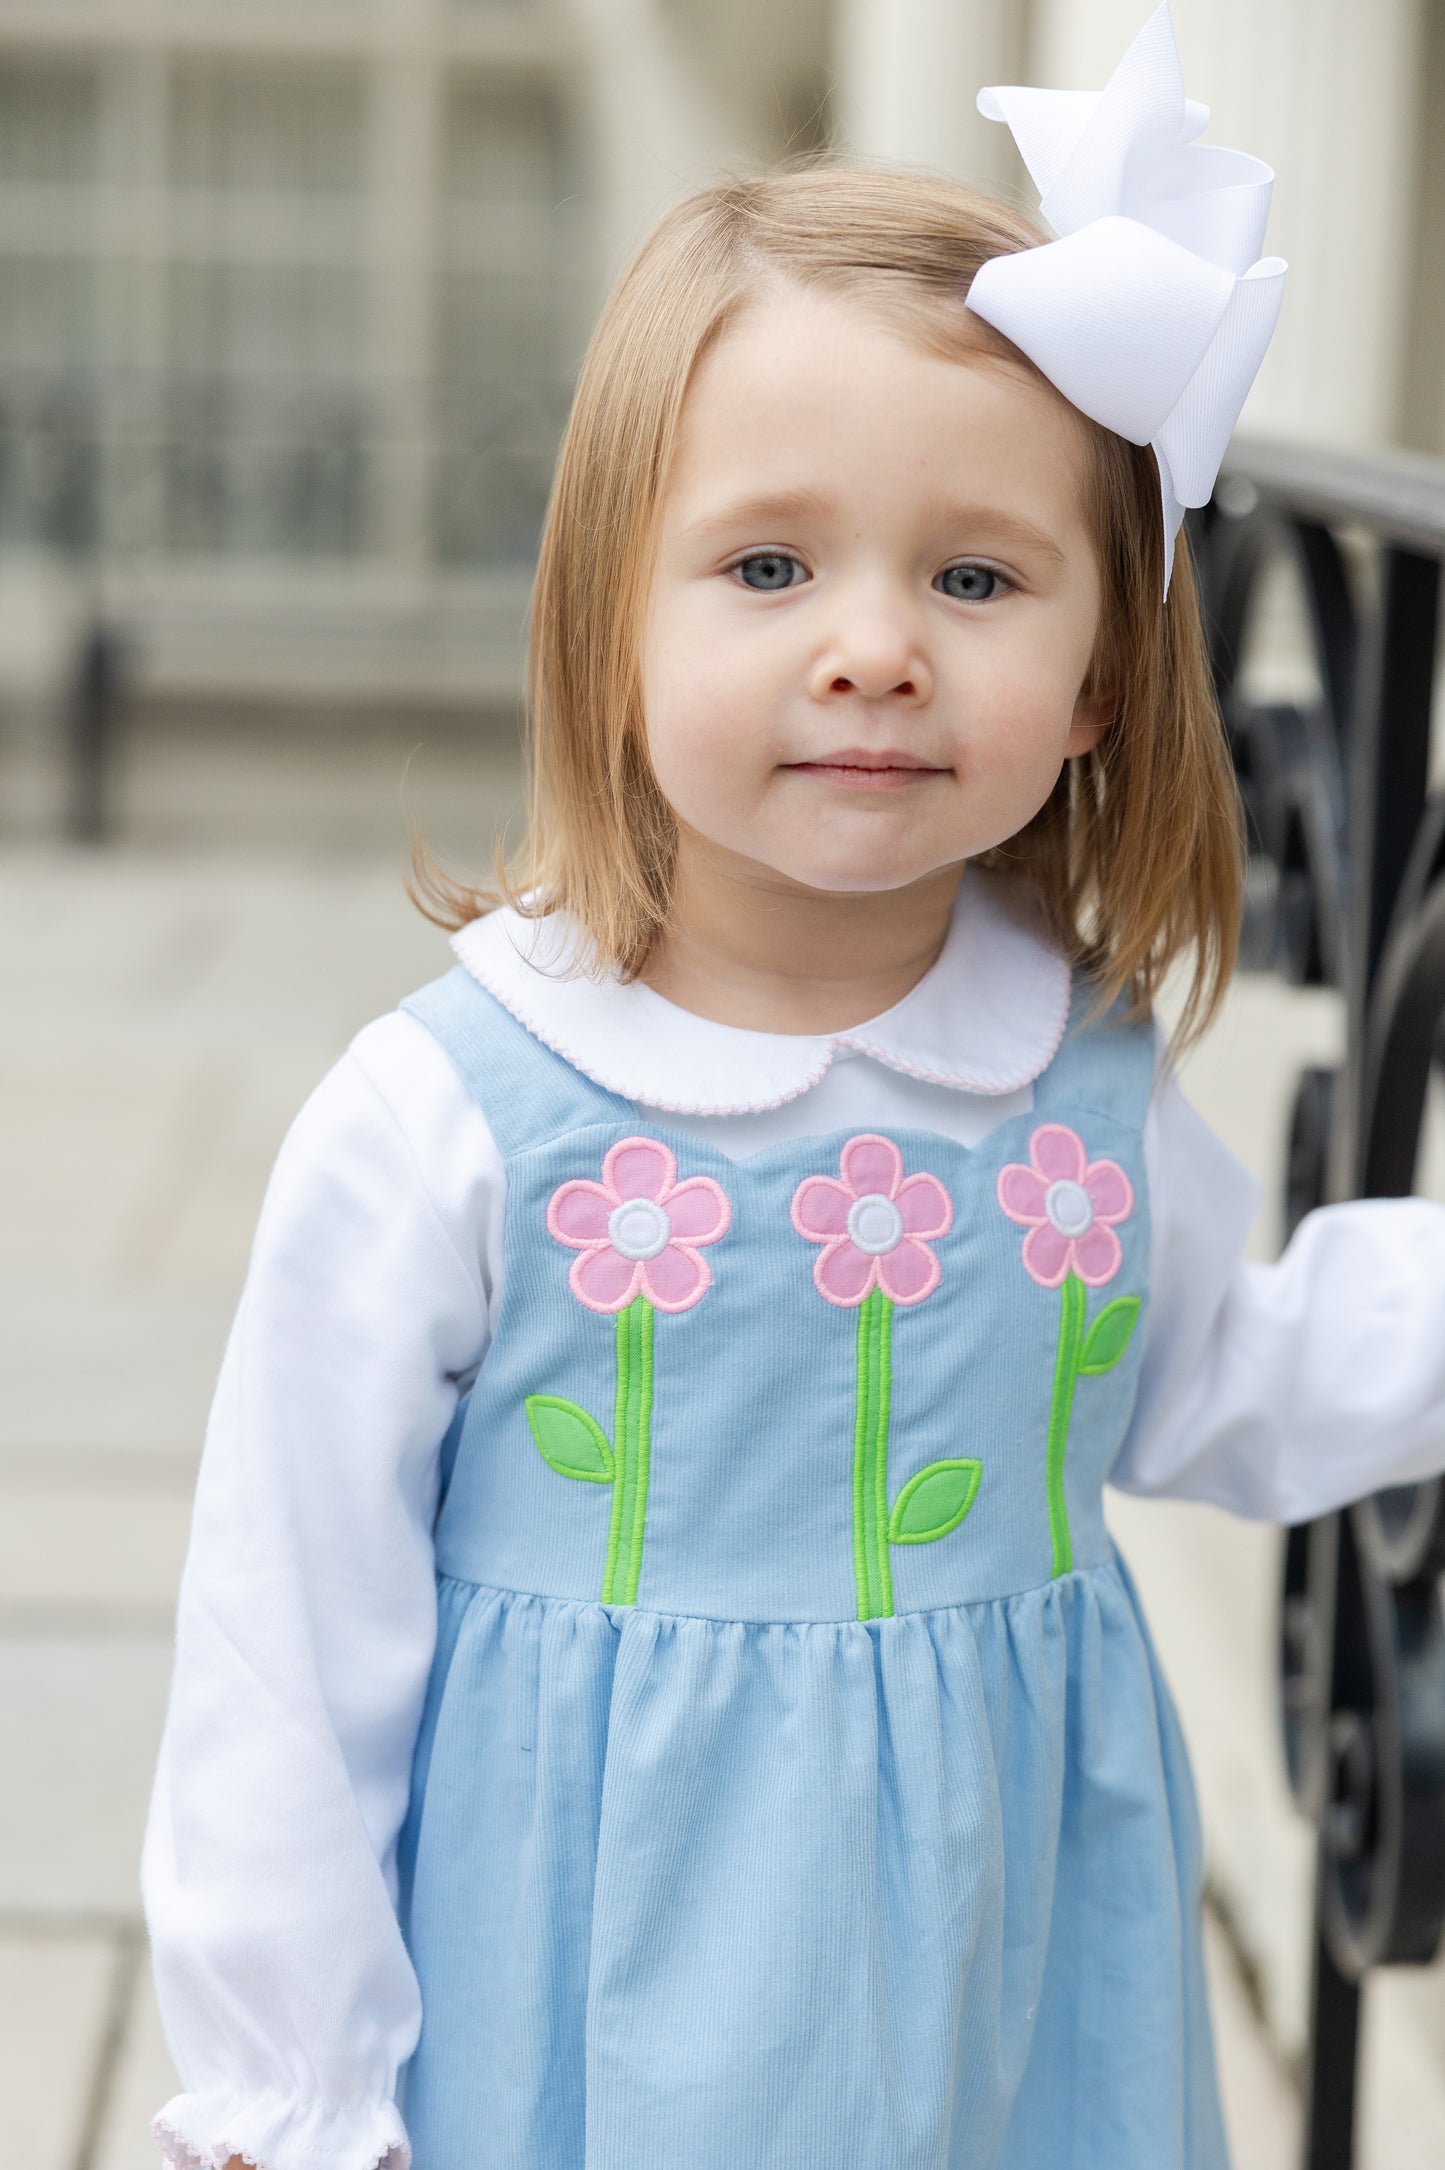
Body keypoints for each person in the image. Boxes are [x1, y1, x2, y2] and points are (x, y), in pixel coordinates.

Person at [140, 10, 1445, 2167]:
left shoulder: (1083, 1087)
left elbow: (1241, 1371)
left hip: (1002, 1973)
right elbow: (289, 1643)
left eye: (976, 574)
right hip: (586, 1972)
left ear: (1103, 672)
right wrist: (296, 2096)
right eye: (767, 566)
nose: (873, 645)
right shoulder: (458, 1117)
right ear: (606, 628)